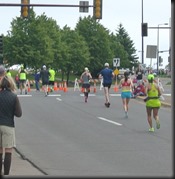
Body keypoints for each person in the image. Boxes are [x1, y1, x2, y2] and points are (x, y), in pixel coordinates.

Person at [0, 65, 22, 175]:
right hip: (8, 125)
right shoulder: (13, 97)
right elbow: (19, 114)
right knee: (8, 150)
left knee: (0, 150)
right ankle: (6, 173)